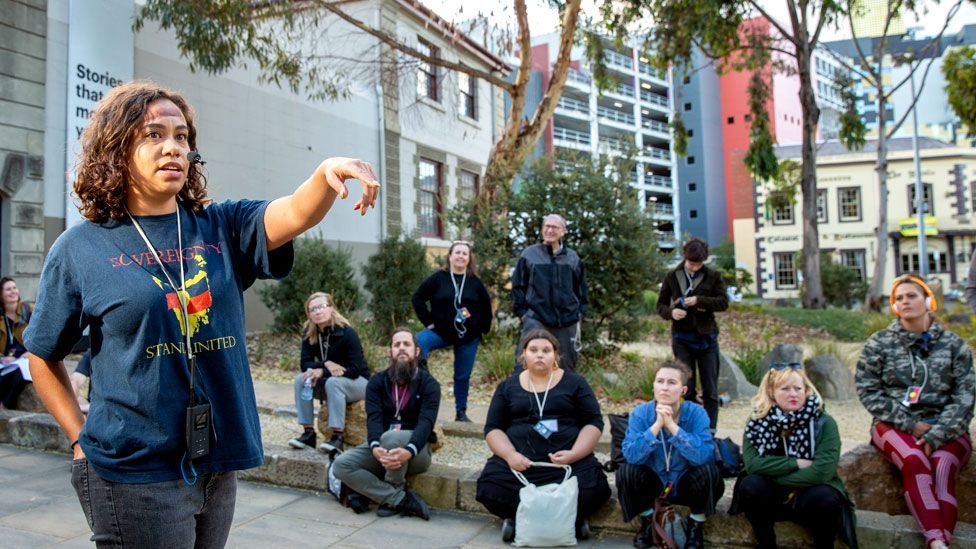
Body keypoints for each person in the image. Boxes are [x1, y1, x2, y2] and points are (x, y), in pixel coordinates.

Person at [23, 81, 379, 548]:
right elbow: (42, 355)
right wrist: (78, 440)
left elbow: (293, 213)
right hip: (135, 471)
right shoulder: (81, 247)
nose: (173, 147)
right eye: (153, 135)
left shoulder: (220, 226)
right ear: (117, 148)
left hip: (216, 460)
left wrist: (325, 173)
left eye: (182, 136)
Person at [856, 274, 974, 549]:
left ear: (928, 301)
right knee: (914, 460)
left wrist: (938, 433)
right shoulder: (879, 343)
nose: (905, 301)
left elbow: (965, 397)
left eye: (912, 296)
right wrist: (912, 425)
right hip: (894, 425)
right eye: (899, 298)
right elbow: (868, 390)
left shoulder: (954, 345)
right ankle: (938, 542)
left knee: (942, 467)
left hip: (948, 427)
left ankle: (939, 541)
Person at [476, 329, 610, 542]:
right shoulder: (507, 387)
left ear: (556, 356)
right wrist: (510, 456)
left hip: (566, 465)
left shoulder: (575, 383)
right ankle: (531, 518)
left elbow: (594, 423)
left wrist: (574, 454)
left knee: (595, 486)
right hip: (521, 466)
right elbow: (493, 428)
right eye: (534, 350)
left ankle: (561, 519)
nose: (540, 355)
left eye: (546, 350)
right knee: (490, 486)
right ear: (524, 356)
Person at [731, 363, 857, 549]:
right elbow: (753, 465)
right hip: (770, 497)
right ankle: (766, 543)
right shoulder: (757, 422)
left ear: (806, 391)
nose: (793, 394)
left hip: (809, 494)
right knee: (751, 485)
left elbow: (821, 472)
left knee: (826, 497)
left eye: (798, 388)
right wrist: (795, 463)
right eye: (785, 388)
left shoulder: (824, 422)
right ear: (772, 392)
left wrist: (774, 474)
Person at [332, 328, 439, 520]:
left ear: (416, 351)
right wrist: (374, 447)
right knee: (340, 465)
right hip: (383, 446)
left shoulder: (429, 384)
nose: (401, 348)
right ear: (390, 352)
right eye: (396, 345)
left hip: (416, 452)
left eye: (407, 344)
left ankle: (393, 490)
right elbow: (374, 420)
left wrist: (410, 450)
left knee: (392, 437)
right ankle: (398, 499)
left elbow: (426, 423)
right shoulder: (377, 382)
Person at [616, 360, 723, 549]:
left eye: (671, 383)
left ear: (683, 390)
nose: (664, 387)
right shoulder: (641, 414)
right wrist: (657, 426)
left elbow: (702, 456)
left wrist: (673, 427)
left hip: (684, 483)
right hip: (654, 481)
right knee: (627, 472)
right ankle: (648, 523)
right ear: (654, 385)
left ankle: (696, 527)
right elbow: (631, 455)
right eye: (660, 381)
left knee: (709, 471)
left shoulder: (697, 413)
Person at [411, 240, 492, 422]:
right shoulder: (438, 278)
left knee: (462, 375)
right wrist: (428, 321)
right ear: (450, 256)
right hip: (441, 332)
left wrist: (481, 330)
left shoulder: (475, 283)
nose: (461, 256)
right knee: (417, 342)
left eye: (465, 254)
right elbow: (417, 297)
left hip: (467, 336)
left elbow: (486, 308)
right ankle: (424, 379)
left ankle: (460, 412)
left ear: (469, 259)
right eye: (457, 253)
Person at [655, 237, 728, 431]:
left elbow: (723, 302)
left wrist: (700, 300)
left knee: (710, 389)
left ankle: (710, 431)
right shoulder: (672, 276)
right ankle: (687, 430)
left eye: (698, 264)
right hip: (682, 338)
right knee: (686, 387)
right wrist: (672, 313)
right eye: (691, 263)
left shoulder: (713, 276)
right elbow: (660, 305)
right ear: (685, 258)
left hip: (707, 338)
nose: (695, 268)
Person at [288, 292, 369, 453]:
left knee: (334, 382)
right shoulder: (310, 333)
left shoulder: (347, 333)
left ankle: (337, 437)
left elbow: (354, 370)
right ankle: (308, 433)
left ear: (331, 308)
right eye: (313, 309)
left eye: (322, 307)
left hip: (358, 382)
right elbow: (305, 364)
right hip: (330, 382)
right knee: (301, 379)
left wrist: (323, 372)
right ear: (308, 314)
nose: (318, 312)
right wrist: (326, 365)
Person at [511, 214, 587, 372]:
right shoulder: (529, 255)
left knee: (565, 368)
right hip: (536, 319)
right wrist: (523, 314)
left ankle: (561, 397)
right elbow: (518, 286)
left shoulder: (572, 258)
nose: (550, 230)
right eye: (547, 226)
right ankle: (523, 395)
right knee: (525, 365)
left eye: (555, 227)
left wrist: (580, 313)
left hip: (567, 321)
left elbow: (581, 289)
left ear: (563, 231)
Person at [0, 276, 32, 410]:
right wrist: (2, 357)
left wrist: (31, 352)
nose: (13, 291)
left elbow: (42, 336)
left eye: (14, 288)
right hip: (6, 360)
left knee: (19, 372)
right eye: (8, 289)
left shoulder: (28, 310)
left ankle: (4, 406)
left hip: (25, 358)